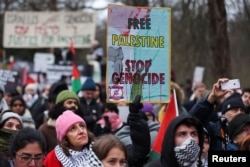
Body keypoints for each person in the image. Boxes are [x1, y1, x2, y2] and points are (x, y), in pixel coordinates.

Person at [189, 78, 246, 151]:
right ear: (224, 114)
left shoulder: (248, 131)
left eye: (242, 110)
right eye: (235, 110)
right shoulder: (214, 130)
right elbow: (192, 121)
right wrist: (211, 98)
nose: (239, 113)